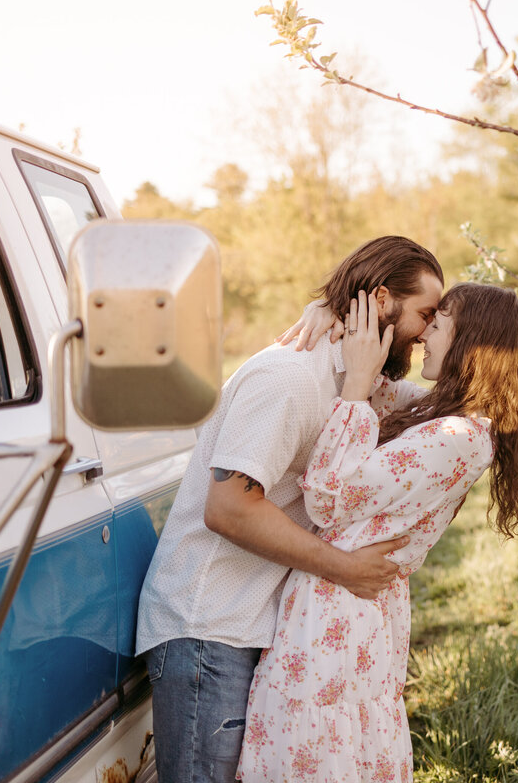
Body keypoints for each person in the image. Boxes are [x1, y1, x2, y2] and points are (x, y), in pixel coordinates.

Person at [135, 236, 445, 783]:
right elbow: (229, 507)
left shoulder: (364, 385)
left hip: (264, 625)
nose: (428, 333)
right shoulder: (288, 378)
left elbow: (450, 411)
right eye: (426, 314)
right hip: (211, 627)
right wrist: (345, 568)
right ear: (380, 300)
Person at [237, 283, 518, 782]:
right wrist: (329, 311)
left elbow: (328, 497)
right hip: (347, 603)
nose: (425, 335)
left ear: (471, 344)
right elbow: (373, 386)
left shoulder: (458, 437)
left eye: (439, 325)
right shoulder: (439, 414)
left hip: (340, 607)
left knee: (318, 750)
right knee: (327, 746)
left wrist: (356, 387)